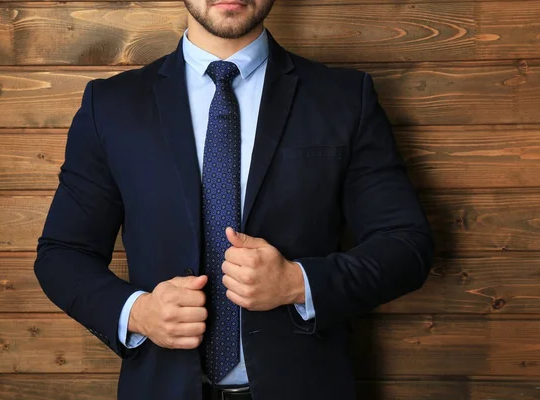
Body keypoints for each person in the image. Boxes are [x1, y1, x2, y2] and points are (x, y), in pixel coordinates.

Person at [34, 0, 434, 399]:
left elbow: (406, 245)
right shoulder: (111, 105)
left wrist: (299, 283)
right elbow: (62, 253)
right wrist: (138, 313)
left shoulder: (345, 98)